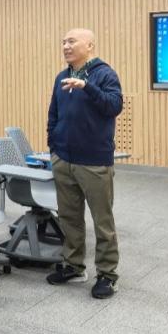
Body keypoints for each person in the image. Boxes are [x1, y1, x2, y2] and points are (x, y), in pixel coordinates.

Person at [46, 28, 123, 300]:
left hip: (94, 163)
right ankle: (73, 266)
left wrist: (87, 87)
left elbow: (114, 106)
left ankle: (107, 275)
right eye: (63, 42)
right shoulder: (61, 77)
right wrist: (54, 147)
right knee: (69, 218)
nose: (65, 46)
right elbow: (54, 114)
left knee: (102, 221)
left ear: (89, 45)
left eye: (71, 41)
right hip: (64, 160)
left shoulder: (105, 74)